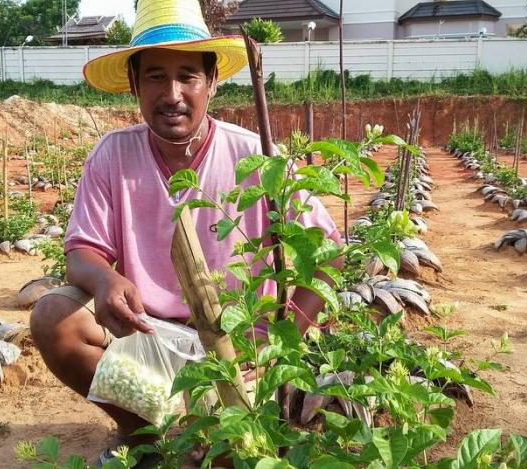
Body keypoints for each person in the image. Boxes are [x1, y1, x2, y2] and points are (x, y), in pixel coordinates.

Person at [30, 0, 341, 464]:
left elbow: (328, 254)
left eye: (187, 76)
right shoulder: (113, 155)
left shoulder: (255, 155)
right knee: (53, 316)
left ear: (212, 82)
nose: (171, 93)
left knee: (239, 453)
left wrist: (283, 343)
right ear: (134, 85)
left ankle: (206, 435)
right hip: (149, 335)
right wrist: (104, 279)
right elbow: (81, 251)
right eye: (154, 76)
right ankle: (151, 437)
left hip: (242, 348)